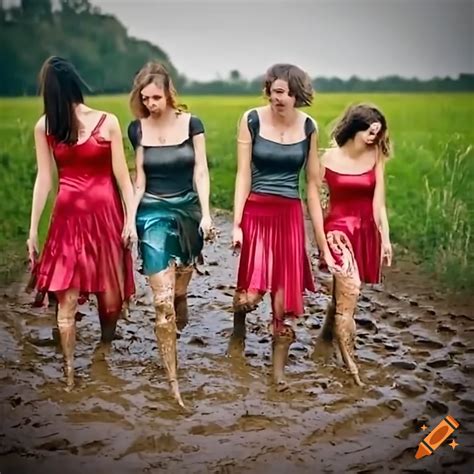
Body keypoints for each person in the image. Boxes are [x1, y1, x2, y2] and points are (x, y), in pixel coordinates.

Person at [27, 56, 136, 390]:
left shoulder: (108, 122)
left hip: (106, 218)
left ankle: (104, 346)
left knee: (110, 297)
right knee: (67, 298)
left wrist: (130, 219)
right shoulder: (45, 127)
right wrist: (33, 230)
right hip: (67, 223)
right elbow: (44, 179)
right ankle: (70, 373)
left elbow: (122, 178)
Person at [231, 63, 335, 390]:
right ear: (268, 89)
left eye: (289, 93)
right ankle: (239, 324)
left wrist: (321, 241)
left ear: (298, 96)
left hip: (289, 215)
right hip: (256, 212)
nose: (282, 99)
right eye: (277, 91)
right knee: (250, 296)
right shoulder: (250, 119)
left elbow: (313, 186)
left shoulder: (309, 127)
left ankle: (277, 373)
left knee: (282, 300)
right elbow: (243, 174)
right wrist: (236, 223)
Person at [127, 62, 213, 408]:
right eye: (145, 98)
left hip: (188, 211)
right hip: (152, 211)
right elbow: (139, 179)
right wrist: (129, 219)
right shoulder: (137, 130)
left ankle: (181, 298)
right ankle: (173, 382)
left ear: (169, 93)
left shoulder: (192, 124)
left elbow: (202, 172)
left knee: (178, 291)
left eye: (156, 97)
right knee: (161, 304)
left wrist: (206, 214)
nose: (151, 104)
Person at [314, 103, 392, 386]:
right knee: (350, 290)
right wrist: (321, 239)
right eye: (370, 132)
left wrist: (385, 236)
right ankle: (350, 364)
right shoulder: (325, 158)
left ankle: (325, 339)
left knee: (344, 293)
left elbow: (378, 200)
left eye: (378, 133)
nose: (373, 138)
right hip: (337, 230)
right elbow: (319, 201)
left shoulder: (376, 155)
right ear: (355, 128)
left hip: (365, 229)